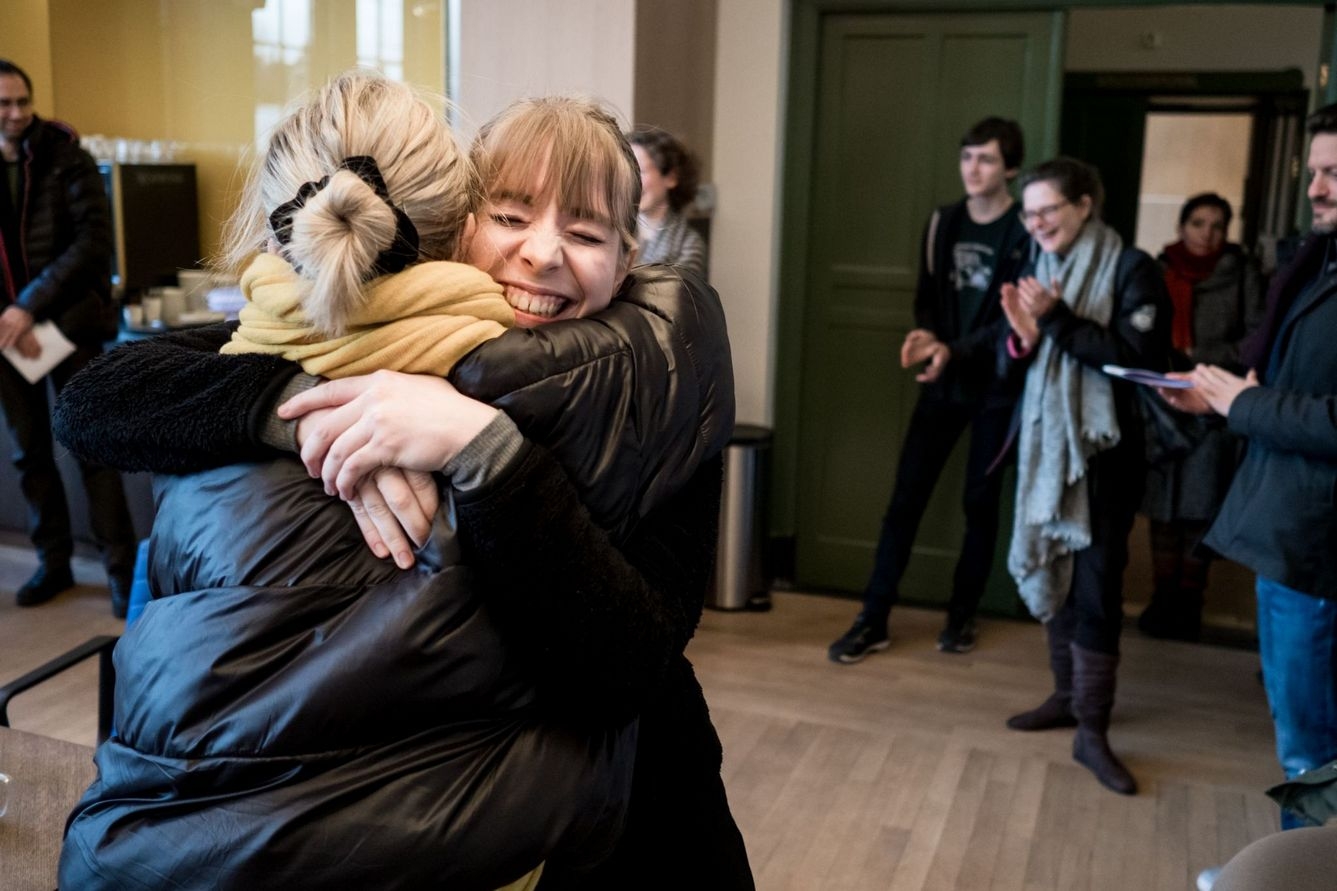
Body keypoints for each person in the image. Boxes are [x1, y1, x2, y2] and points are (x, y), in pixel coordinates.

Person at [55, 79, 751, 889]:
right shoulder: (384, 336)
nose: (543, 252)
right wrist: (300, 409)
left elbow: (633, 661)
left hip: (625, 811)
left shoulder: (654, 383)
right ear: (453, 232)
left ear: (629, 259)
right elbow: (99, 398)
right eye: (512, 216)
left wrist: (482, 449)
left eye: (587, 230)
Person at [1159, 102, 1337, 842]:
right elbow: (1284, 376)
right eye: (1314, 171)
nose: (1316, 188)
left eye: (1334, 174)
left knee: (1313, 750)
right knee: (1296, 736)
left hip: (1316, 545)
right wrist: (1220, 396)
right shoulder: (1314, 257)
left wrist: (1247, 402)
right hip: (1281, 529)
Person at [999, 157, 1170, 796]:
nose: (1035, 222)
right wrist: (1020, 339)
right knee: (1059, 572)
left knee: (1097, 586)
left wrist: (1057, 323)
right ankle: (1066, 698)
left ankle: (1091, 731)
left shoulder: (1132, 269)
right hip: (1049, 449)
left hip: (1103, 455)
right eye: (1028, 211)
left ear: (1085, 206)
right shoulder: (1040, 269)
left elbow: (1137, 361)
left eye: (1047, 209)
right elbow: (1017, 358)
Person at [828, 117, 1028, 662]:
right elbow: (928, 295)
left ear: (1010, 168)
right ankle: (874, 618)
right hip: (942, 382)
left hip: (996, 390)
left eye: (986, 159)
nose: (973, 169)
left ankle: (962, 617)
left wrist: (954, 350)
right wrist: (928, 336)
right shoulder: (943, 223)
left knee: (979, 505)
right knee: (904, 502)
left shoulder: (1024, 232)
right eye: (966, 157)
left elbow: (1015, 320)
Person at [0, 59, 136, 616]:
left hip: (67, 323)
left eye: (22, 102)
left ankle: (122, 574)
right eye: (4, 104)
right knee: (29, 454)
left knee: (90, 448)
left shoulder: (65, 157)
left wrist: (27, 308)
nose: (15, 114)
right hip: (6, 335)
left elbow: (92, 245)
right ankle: (51, 563)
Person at [1138, 192, 1264, 641]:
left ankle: (1190, 603)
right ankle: (1161, 598)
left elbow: (1255, 339)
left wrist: (1201, 359)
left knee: (1198, 508)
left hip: (1214, 399)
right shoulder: (1157, 268)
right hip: (1163, 400)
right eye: (1197, 223)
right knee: (1162, 507)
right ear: (1180, 227)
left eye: (1216, 225)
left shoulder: (1242, 273)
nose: (1206, 233)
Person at [627, 126, 707, 277]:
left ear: (671, 177)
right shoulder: (616, 230)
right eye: (627, 171)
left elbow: (675, 297)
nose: (632, 181)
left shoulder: (689, 245)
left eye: (640, 171)